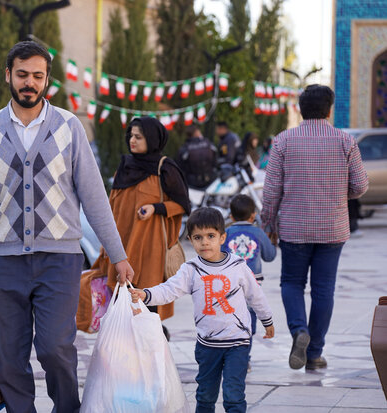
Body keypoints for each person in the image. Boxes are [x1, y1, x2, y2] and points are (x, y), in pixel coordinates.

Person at [0, 41, 133, 413]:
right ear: (8, 75)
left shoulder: (69, 128)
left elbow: (96, 198)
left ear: (47, 81)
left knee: (56, 348)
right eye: (22, 75)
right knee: (9, 357)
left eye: (38, 76)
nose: (29, 83)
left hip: (60, 260)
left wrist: (118, 257)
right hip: (4, 263)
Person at [261, 84, 368, 371]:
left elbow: (271, 191)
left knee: (292, 283)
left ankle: (299, 331)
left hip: (294, 228)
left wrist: (268, 223)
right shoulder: (346, 141)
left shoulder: (283, 141)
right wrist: (335, 193)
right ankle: (315, 353)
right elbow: (360, 186)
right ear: (330, 110)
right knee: (324, 289)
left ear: (300, 108)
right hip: (332, 228)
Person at [130, 207, 274, 413]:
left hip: (238, 343)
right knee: (205, 395)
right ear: (190, 239)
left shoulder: (238, 266)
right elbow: (170, 289)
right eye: (198, 237)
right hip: (207, 345)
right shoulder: (191, 269)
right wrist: (146, 294)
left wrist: (267, 321)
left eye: (210, 236)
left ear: (222, 237)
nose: (204, 242)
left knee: (234, 396)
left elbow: (256, 296)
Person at [77, 117, 191, 339]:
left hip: (150, 249)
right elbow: (112, 205)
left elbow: (183, 205)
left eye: (139, 136)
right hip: (120, 246)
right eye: (131, 135)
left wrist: (156, 207)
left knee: (146, 301)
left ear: (152, 139)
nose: (132, 140)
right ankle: (126, 359)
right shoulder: (125, 166)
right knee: (119, 302)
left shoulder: (164, 168)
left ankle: (153, 350)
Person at [223, 194, 276, 370]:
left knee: (230, 317)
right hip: (253, 285)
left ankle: (229, 353)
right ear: (253, 215)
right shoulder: (258, 232)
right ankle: (244, 358)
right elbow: (270, 256)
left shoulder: (227, 233)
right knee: (249, 318)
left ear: (231, 216)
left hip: (230, 285)